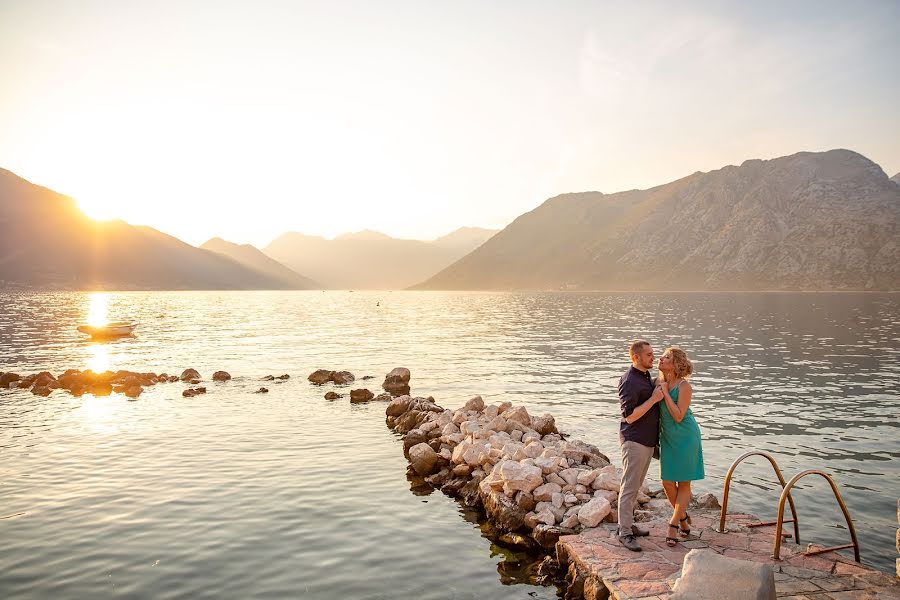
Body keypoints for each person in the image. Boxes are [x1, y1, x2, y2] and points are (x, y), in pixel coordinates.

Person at [616, 339, 665, 552]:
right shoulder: (628, 381)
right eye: (648, 355)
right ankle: (624, 533)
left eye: (653, 354)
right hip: (634, 440)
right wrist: (654, 399)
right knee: (629, 487)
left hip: (645, 441)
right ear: (636, 357)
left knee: (635, 487)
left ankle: (628, 524)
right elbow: (630, 417)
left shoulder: (644, 377)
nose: (652, 357)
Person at [657, 346, 705, 547]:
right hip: (668, 438)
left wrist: (666, 394)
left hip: (686, 437)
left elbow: (678, 416)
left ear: (675, 365)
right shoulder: (658, 382)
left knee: (684, 483)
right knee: (667, 481)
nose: (661, 358)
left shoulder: (684, 387)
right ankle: (683, 518)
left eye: (666, 357)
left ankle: (674, 524)